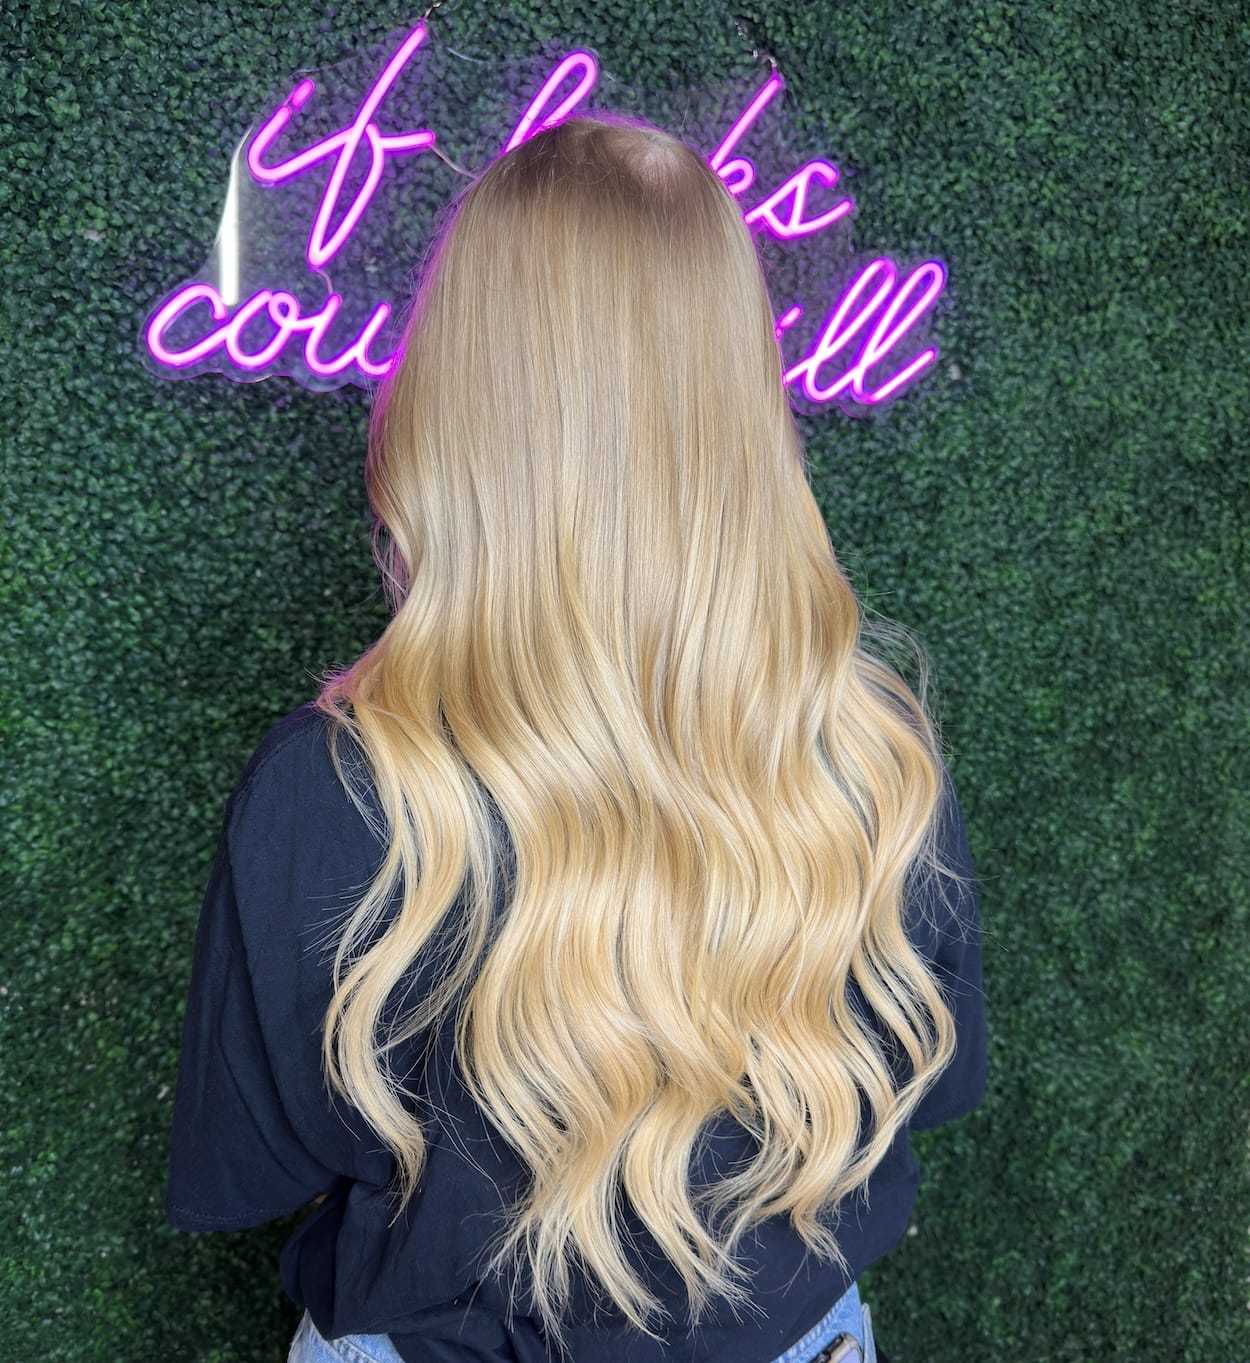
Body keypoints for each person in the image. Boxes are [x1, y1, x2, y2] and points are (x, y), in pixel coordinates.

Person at [165, 111, 988, 1363]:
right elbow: (919, 1078)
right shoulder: (869, 751)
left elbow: (272, 1152)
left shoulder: (330, 790)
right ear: (736, 396)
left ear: (457, 390)